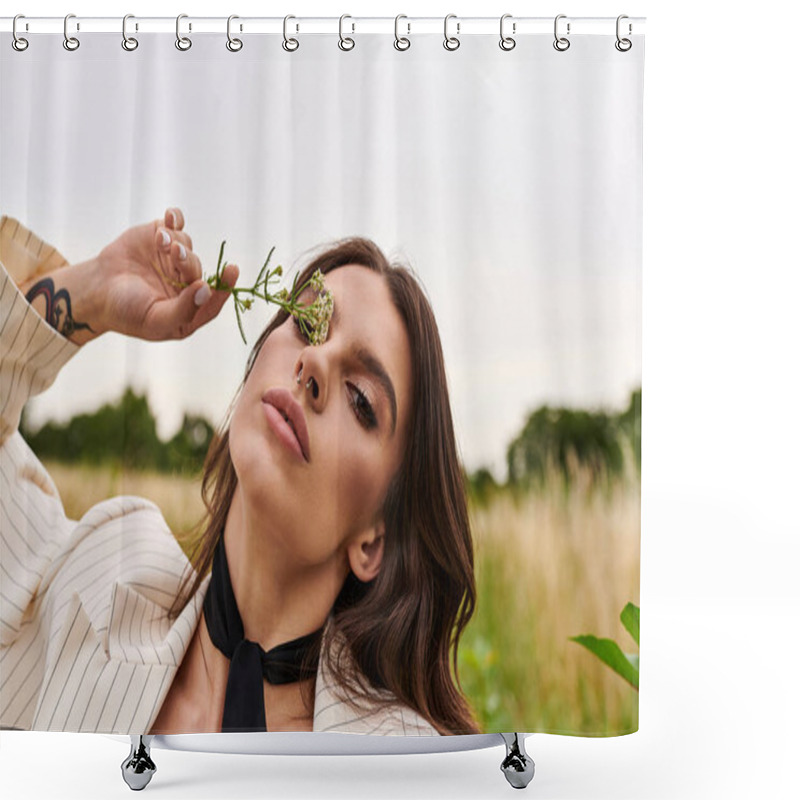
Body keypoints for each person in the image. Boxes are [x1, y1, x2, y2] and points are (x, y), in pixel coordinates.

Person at [0, 208, 481, 736]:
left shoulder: (404, 767)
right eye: (306, 323)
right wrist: (90, 294)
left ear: (374, 542)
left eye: (362, 400)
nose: (314, 363)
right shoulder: (95, 579)